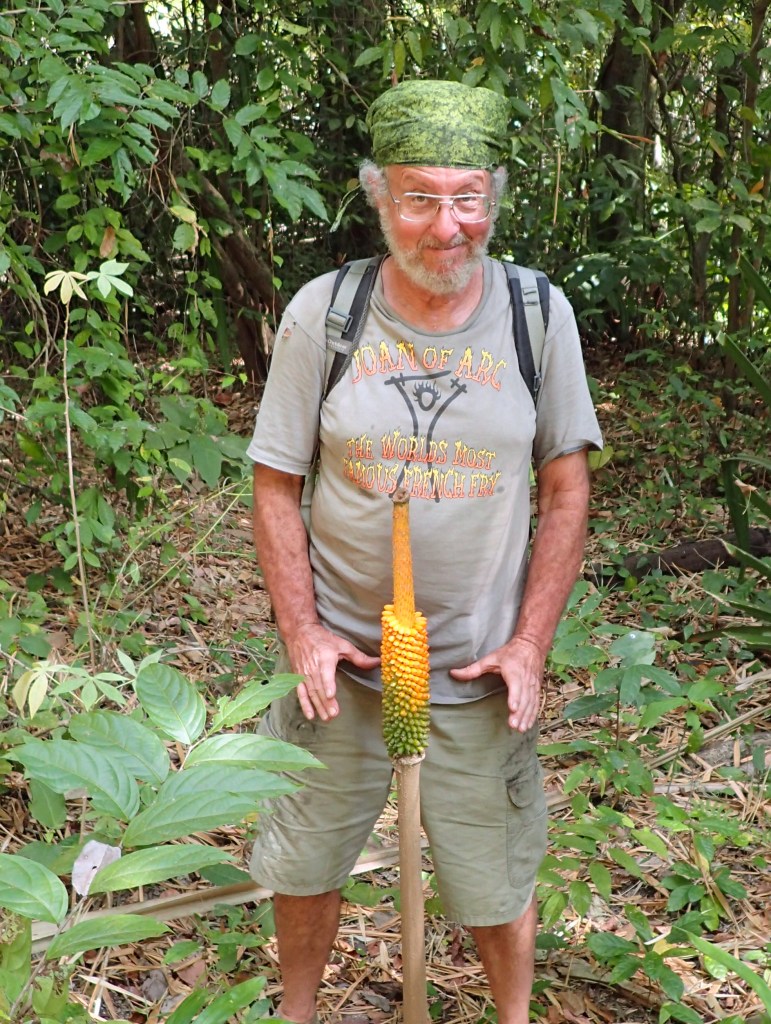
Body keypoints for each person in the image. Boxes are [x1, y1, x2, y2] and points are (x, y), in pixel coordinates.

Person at [247, 79, 603, 1024]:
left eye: (467, 198)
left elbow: (566, 490)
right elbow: (275, 484)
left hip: (476, 669)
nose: (447, 226)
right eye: (419, 198)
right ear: (378, 197)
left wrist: (528, 645)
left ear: (493, 198)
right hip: (345, 668)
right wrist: (303, 633)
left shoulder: (536, 314)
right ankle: (297, 1014)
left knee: (494, 880)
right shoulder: (326, 313)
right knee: (305, 863)